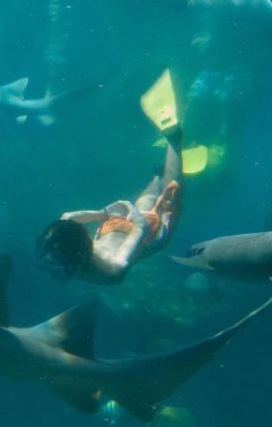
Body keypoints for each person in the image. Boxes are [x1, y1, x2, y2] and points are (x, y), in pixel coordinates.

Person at [36, 69, 183, 284]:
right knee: (154, 200)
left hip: (134, 233)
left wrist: (105, 212)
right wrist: (115, 211)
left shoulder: (72, 262)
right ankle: (164, 163)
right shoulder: (113, 268)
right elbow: (69, 217)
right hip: (127, 230)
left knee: (167, 196)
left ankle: (173, 144)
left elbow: (67, 219)